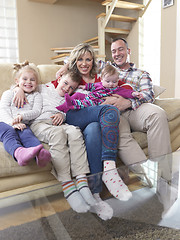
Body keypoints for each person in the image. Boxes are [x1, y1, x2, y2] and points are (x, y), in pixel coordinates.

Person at [100, 38, 172, 168]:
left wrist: (127, 102)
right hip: (111, 112)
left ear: (128, 51)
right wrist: (64, 67)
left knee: (158, 114)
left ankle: (162, 176)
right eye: (113, 51)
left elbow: (148, 95)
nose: (117, 54)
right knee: (117, 129)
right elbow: (77, 59)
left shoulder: (141, 74)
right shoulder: (105, 67)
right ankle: (144, 176)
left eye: (120, 49)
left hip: (133, 110)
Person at [0, 61, 51, 167]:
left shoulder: (36, 95)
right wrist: (12, 122)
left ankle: (40, 154)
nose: (29, 82)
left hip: (22, 124)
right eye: (25, 79)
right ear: (17, 81)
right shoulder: (8, 93)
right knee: (9, 133)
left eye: (32, 80)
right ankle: (19, 153)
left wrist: (21, 117)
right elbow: (3, 110)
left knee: (27, 134)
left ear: (36, 83)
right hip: (4, 123)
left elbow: (36, 111)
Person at [56, 64, 143, 113]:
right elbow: (92, 86)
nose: (111, 84)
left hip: (99, 101)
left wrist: (133, 94)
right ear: (102, 79)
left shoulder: (116, 89)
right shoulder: (99, 84)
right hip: (90, 96)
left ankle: (74, 104)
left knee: (86, 103)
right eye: (108, 81)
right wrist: (84, 86)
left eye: (114, 82)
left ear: (117, 81)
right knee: (78, 94)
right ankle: (64, 106)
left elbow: (126, 92)